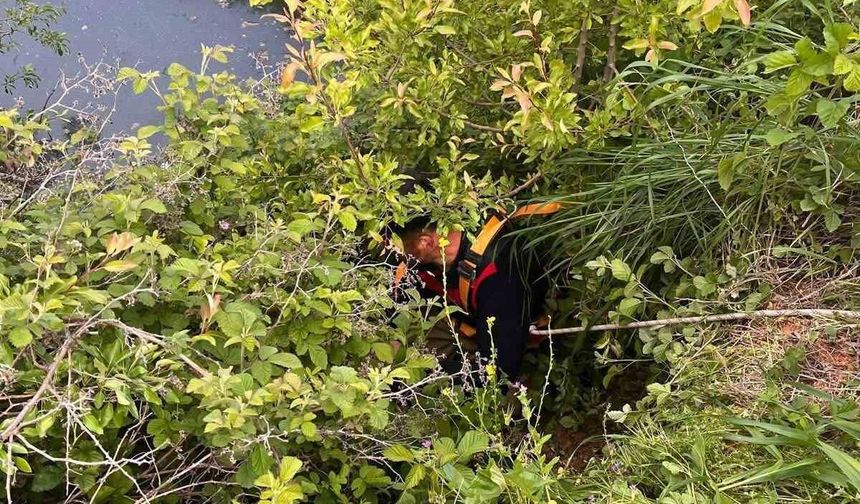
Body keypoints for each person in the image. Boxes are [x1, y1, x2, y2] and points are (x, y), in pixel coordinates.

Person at [387, 207, 555, 381]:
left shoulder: (499, 279)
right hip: (463, 319)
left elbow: (498, 374)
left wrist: (416, 369)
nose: (393, 255)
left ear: (425, 243)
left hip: (502, 340)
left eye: (396, 248)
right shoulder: (441, 248)